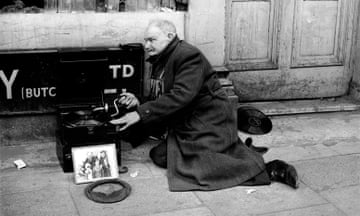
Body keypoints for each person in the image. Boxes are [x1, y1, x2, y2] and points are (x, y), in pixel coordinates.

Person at [110, 19, 299, 191]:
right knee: (162, 156)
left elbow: (181, 95)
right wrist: (139, 101)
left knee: (178, 163)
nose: (147, 45)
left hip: (208, 122)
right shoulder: (162, 58)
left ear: (170, 36)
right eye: (146, 40)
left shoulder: (187, 56)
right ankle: (237, 152)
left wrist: (140, 113)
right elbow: (164, 94)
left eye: (151, 40)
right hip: (189, 121)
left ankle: (268, 169)